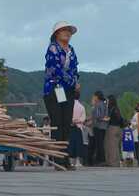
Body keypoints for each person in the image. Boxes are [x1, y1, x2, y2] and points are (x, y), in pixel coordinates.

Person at [43, 21, 80, 170]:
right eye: (64, 30)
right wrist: (72, 81)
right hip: (54, 89)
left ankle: (65, 158)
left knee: (66, 124)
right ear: (56, 34)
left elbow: (75, 68)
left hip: (68, 90)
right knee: (57, 123)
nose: (67, 33)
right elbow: (55, 69)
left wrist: (76, 81)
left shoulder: (71, 50)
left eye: (69, 31)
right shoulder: (52, 49)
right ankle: (57, 159)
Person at [68, 91, 86, 169]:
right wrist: (77, 121)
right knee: (78, 144)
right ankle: (78, 162)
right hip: (78, 127)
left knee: (71, 144)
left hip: (70, 127)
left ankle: (71, 162)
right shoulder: (81, 106)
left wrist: (72, 121)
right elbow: (83, 118)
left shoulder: (69, 105)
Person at [104, 95, 123, 167]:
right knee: (116, 146)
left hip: (112, 128)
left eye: (107, 100)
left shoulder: (111, 109)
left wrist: (101, 119)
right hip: (119, 128)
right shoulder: (117, 108)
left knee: (111, 146)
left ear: (110, 100)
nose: (106, 102)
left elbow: (108, 119)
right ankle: (117, 162)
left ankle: (112, 163)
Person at [91, 91, 108, 166]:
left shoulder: (98, 105)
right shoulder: (104, 104)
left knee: (99, 144)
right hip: (104, 126)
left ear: (97, 97)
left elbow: (98, 116)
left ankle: (101, 160)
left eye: (94, 96)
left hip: (98, 126)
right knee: (101, 143)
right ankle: (101, 159)